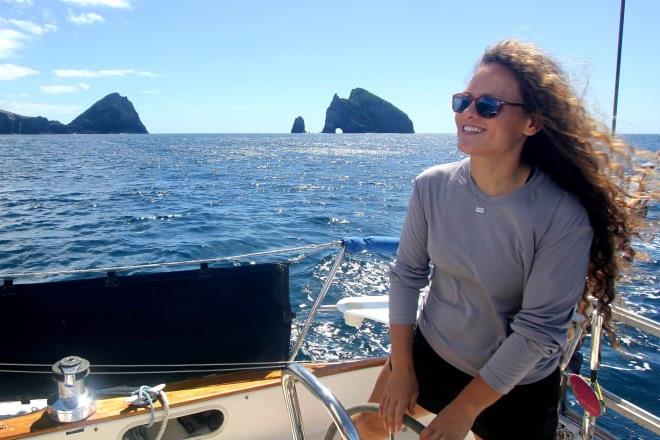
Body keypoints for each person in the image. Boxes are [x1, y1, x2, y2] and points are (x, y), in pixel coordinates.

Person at [355, 39, 645, 440]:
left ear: (532, 123)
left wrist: (464, 410)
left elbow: (538, 332)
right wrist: (402, 369)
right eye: (463, 102)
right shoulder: (431, 187)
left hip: (517, 382)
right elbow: (407, 276)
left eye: (488, 106)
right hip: (434, 352)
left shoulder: (562, 217)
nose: (469, 114)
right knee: (368, 426)